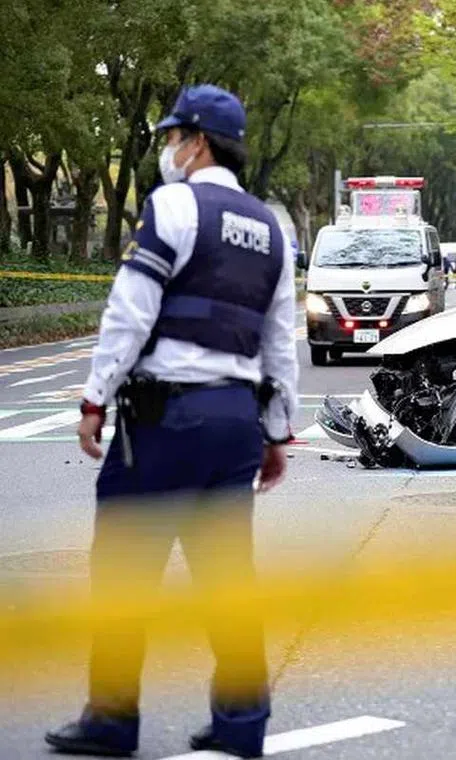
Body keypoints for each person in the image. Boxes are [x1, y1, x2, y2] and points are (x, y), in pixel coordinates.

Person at [46, 84, 298, 760]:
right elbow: (280, 342)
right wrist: (277, 432)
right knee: (229, 579)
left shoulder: (173, 206)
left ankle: (110, 720)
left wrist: (95, 398)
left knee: (125, 572)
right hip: (236, 424)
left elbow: (128, 314)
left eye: (172, 137)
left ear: (199, 141)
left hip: (165, 419)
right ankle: (241, 726)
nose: (167, 150)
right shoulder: (273, 227)